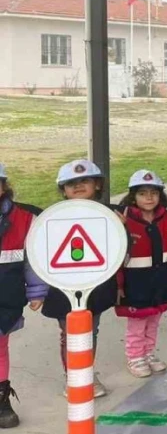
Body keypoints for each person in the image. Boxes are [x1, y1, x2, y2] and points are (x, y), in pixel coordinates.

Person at [42, 160, 116, 397]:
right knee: (69, 333)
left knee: (90, 330)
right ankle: (73, 376)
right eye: (71, 183)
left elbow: (118, 251)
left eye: (85, 180)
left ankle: (86, 372)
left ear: (97, 185)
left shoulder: (111, 216)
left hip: (97, 286)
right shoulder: (52, 218)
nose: (78, 186)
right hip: (63, 287)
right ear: (63, 190)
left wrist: (119, 227)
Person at [116, 170, 167, 378]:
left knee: (154, 319)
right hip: (135, 282)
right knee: (138, 322)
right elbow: (117, 258)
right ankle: (135, 357)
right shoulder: (122, 221)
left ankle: (148, 353)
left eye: (153, 193)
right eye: (142, 193)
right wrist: (119, 285)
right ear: (133, 196)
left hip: (163, 279)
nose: (149, 197)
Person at [0, 164, 47, 428]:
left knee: (0, 351)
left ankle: (1, 399)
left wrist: (37, 290)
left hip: (4, 298)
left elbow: (32, 260)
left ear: (4, 187)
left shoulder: (24, 219)